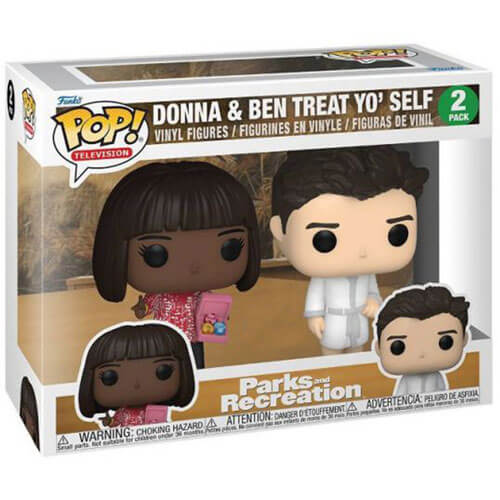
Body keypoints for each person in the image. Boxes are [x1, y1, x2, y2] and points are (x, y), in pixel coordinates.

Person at [92, 161, 261, 368]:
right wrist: (141, 309)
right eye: (156, 254)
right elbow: (144, 309)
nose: (195, 267)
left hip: (195, 336)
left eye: (229, 248)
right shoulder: (160, 297)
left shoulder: (201, 294)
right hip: (166, 337)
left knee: (196, 363)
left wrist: (217, 316)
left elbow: (214, 311)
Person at [270, 146, 428, 355]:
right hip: (335, 319)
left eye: (396, 234)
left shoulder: (366, 274)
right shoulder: (323, 277)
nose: (362, 252)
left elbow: (372, 291)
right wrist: (315, 316)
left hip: (357, 320)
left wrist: (374, 301)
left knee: (357, 350)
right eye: (325, 240)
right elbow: (316, 295)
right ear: (279, 230)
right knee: (332, 353)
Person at [77, 323, 197, 427]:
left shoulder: (157, 412)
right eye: (109, 377)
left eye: (163, 371)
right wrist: (108, 422)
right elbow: (114, 423)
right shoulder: (121, 414)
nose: (137, 384)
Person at [374, 285, 469, 395]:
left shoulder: (437, 377)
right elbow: (399, 397)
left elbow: (443, 392)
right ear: (378, 348)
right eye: (398, 347)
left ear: (464, 340)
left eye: (445, 342)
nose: (422, 354)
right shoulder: (406, 380)